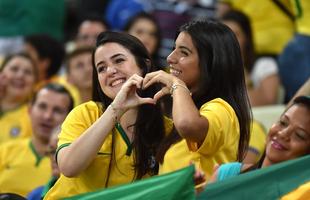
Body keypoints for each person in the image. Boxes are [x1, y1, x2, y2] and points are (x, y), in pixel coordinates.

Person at [44, 31, 172, 199]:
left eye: (119, 60)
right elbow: (68, 167)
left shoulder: (168, 129)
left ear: (144, 65)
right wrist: (116, 109)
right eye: (101, 68)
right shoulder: (85, 113)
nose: (110, 71)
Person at [142, 20, 252, 181]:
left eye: (184, 53)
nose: (170, 58)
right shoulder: (187, 107)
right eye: (174, 49)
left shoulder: (222, 109)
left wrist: (176, 84)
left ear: (212, 62)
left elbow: (188, 125)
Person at [210, 95, 310, 182]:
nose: (283, 133)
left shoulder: (299, 195)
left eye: (299, 135)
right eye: (283, 123)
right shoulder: (226, 174)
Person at [0, 83, 73, 197]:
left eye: (57, 110)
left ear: (70, 117)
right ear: (29, 110)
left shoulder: (70, 163)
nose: (47, 116)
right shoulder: (4, 151)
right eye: (42, 106)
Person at [221, 10, 281, 106]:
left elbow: (269, 103)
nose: (229, 41)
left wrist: (244, 78)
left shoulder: (265, 64)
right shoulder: (212, 67)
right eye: (224, 36)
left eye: (235, 34)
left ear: (246, 37)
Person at [0, 53, 37, 144]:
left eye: (28, 72)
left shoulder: (34, 117)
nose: (20, 75)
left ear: (35, 82)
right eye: (14, 69)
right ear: (1, 74)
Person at [27, 126, 61, 200]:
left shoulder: (89, 193)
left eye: (61, 150)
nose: (54, 159)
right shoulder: (36, 195)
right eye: (52, 151)